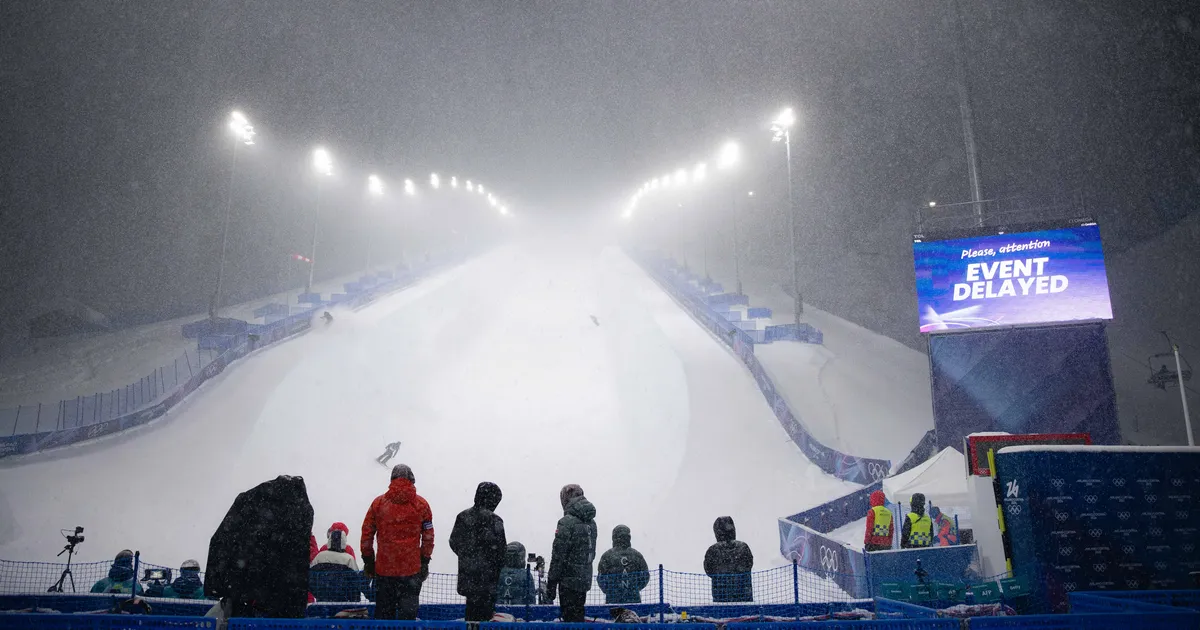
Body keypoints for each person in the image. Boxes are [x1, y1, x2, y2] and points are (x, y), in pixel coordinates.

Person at [205, 475, 314, 618]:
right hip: (284, 603)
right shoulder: (299, 512)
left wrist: (217, 585)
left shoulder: (250, 502)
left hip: (245, 598)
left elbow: (221, 542)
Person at [361, 464, 435, 620]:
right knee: (407, 617)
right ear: (412, 480)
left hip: (384, 569)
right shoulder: (422, 505)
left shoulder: (378, 504)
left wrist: (368, 561)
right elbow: (428, 537)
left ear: (392, 479)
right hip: (411, 570)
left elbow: (367, 534)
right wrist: (424, 560)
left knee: (384, 617)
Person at [449, 482, 507, 621]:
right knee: (486, 616)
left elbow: (453, 541)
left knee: (471, 613)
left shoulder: (463, 517)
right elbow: (502, 551)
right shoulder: (495, 520)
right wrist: (491, 563)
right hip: (488, 579)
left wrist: (467, 556)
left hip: (468, 575)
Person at [546, 484, 597, 622]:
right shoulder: (591, 523)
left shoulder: (566, 522)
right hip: (584, 580)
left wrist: (552, 582)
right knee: (578, 615)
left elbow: (558, 556)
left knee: (569, 619)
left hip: (568, 582)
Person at [704, 516, 754, 603]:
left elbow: (708, 570)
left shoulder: (713, 550)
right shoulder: (743, 547)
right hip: (744, 596)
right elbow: (749, 564)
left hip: (721, 596)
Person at [597, 525, 650, 604]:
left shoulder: (607, 556)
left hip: (613, 599)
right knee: (632, 613)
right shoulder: (637, 555)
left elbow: (601, 578)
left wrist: (609, 590)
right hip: (633, 598)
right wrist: (635, 588)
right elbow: (645, 576)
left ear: (614, 537)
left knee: (614, 612)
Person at [310, 522, 362, 602]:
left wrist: (318, 593)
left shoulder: (322, 552)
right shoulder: (349, 554)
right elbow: (354, 578)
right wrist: (354, 599)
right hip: (344, 598)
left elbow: (312, 576)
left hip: (324, 596)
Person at [496, 542, 534, 606]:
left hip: (498, 611)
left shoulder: (497, 573)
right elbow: (531, 601)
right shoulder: (526, 575)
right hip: (520, 611)